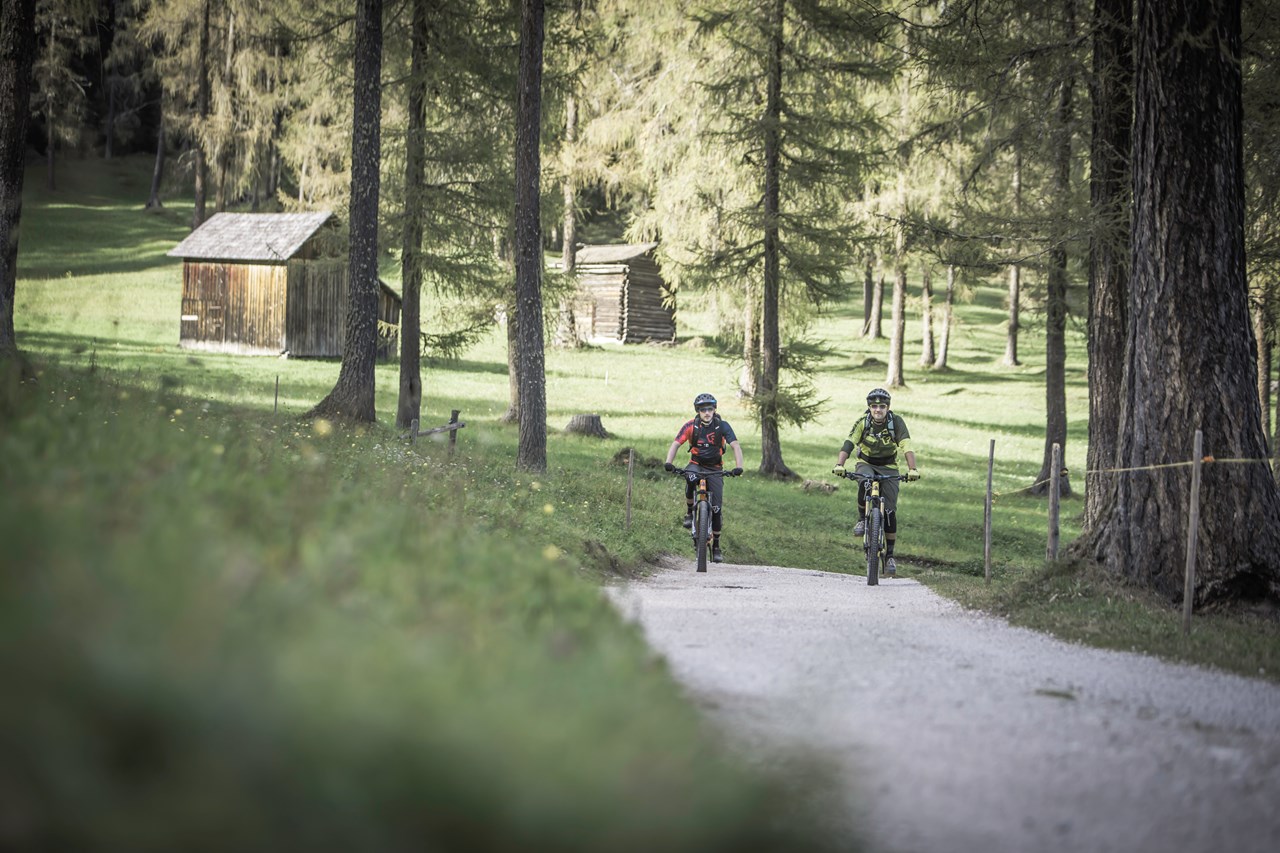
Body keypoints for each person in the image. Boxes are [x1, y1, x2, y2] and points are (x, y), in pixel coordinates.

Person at [831, 387, 920, 577]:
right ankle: (863, 520)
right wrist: (840, 464)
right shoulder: (863, 422)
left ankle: (889, 556)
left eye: (881, 406)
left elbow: (906, 445)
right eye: (874, 406)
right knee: (865, 482)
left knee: (889, 512)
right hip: (866, 463)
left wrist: (912, 469)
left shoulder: (896, 422)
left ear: (888, 407)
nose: (877, 410)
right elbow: (849, 442)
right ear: (869, 408)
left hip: (889, 467)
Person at [664, 393, 744, 564]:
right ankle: (689, 513)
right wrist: (668, 463)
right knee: (690, 477)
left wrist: (739, 467)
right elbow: (676, 443)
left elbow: (735, 445)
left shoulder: (722, 426)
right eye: (703, 409)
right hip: (696, 464)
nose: (707, 412)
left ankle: (716, 546)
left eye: (710, 409)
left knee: (716, 509)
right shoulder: (691, 426)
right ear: (698, 411)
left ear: (715, 410)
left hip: (715, 468)